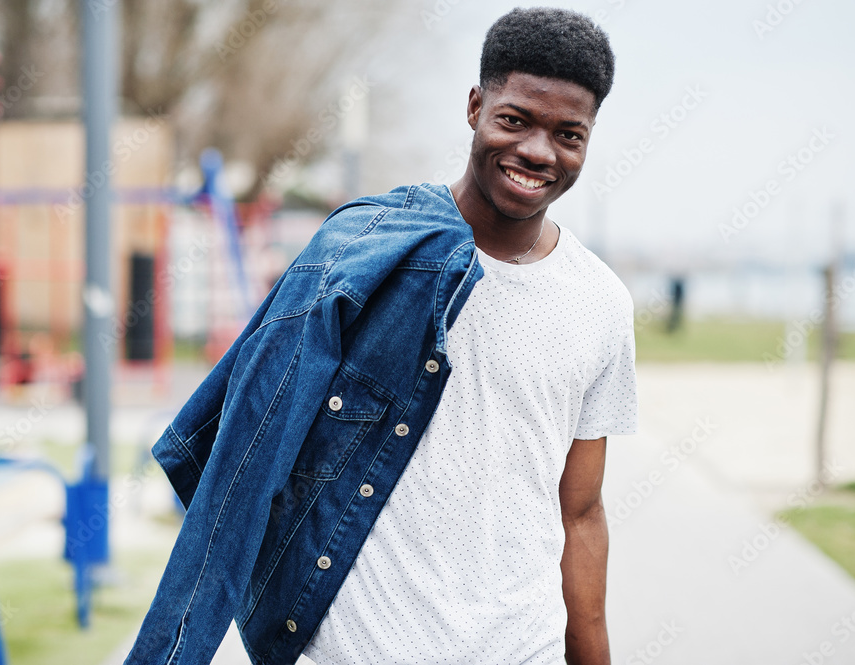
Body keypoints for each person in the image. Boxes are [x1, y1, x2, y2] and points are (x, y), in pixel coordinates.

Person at [126, 7, 637, 665]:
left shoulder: (600, 303)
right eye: (515, 120)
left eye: (568, 133)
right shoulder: (361, 255)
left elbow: (582, 510)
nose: (538, 151)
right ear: (476, 107)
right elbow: (243, 465)